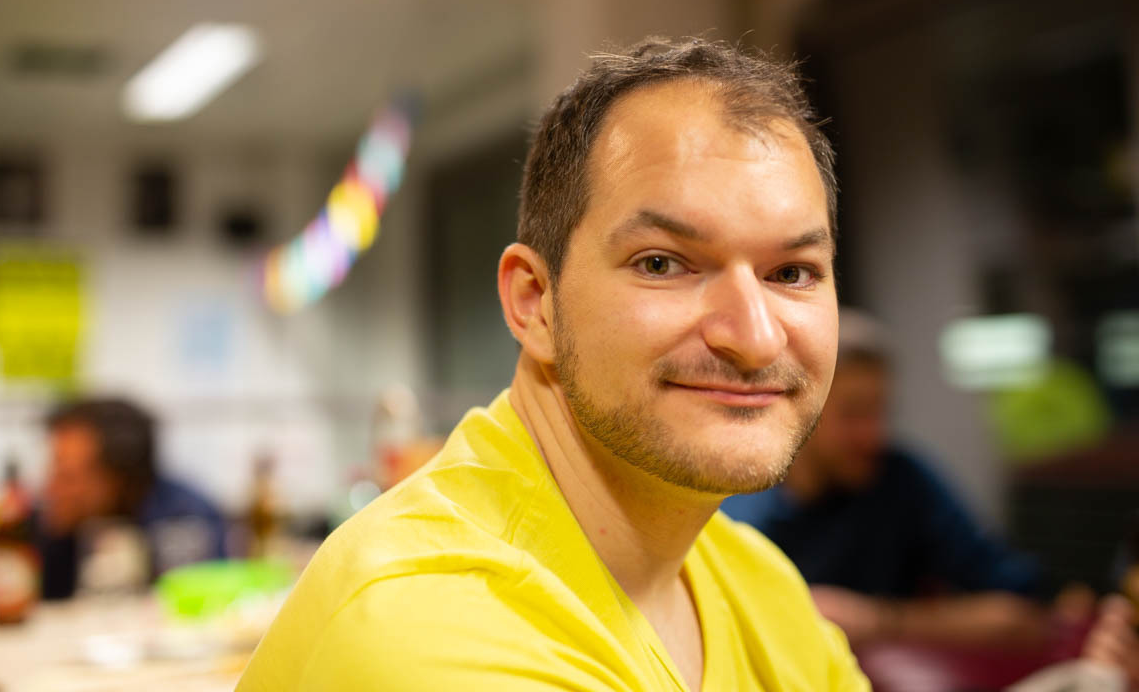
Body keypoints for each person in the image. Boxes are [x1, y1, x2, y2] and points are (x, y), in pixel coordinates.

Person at [240, 37, 869, 691]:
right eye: (662, 264)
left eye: (791, 273)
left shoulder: (755, 582)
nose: (756, 338)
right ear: (535, 302)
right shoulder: (432, 623)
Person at [720, 309, 1079, 651]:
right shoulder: (733, 508)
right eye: (854, 413)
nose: (873, 434)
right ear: (794, 409)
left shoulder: (903, 482)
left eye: (880, 411)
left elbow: (1023, 612)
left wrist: (880, 620)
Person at [38, 397, 226, 598]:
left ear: (118, 478)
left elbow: (204, 599)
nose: (50, 489)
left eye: (67, 476)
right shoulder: (53, 525)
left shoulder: (185, 516)